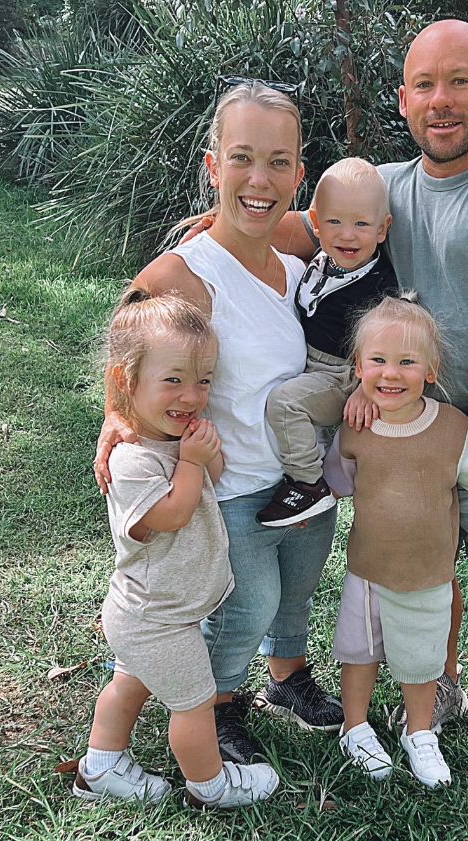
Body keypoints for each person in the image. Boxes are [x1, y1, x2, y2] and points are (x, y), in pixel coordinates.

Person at [270, 20, 468, 775]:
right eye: (425, 85)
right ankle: (440, 683)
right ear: (403, 99)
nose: (441, 100)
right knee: (428, 565)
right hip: (402, 434)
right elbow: (308, 229)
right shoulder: (382, 190)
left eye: (460, 82)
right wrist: (215, 236)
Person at [94, 82, 345, 767]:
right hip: (231, 487)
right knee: (247, 603)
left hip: (302, 481)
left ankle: (288, 677)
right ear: (213, 166)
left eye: (278, 162)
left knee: (297, 589)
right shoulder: (188, 272)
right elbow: (128, 337)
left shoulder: (299, 256)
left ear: (299, 174)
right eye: (242, 159)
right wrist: (116, 413)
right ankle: (218, 702)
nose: (259, 179)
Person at [76, 288, 279, 809]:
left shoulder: (172, 442)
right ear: (125, 380)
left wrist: (203, 455)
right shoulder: (131, 460)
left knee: (129, 685)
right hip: (156, 617)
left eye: (203, 381)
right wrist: (190, 463)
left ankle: (101, 767)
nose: (191, 395)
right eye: (173, 380)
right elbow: (170, 515)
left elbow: (213, 476)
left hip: (159, 609)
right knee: (196, 704)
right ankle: (209, 787)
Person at [323, 295, 468, 788]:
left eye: (407, 362)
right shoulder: (355, 428)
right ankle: (355, 728)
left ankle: (419, 734)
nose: (391, 373)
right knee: (358, 652)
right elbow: (337, 480)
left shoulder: (452, 428)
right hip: (367, 570)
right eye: (377, 360)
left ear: (431, 371)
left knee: (421, 662)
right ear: (358, 366)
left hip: (427, 575)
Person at [254, 157, 397, 529]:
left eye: (361, 224)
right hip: (313, 364)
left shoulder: (379, 285)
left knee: (285, 403)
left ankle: (307, 483)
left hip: (342, 374)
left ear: (382, 229)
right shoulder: (321, 261)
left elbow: (390, 342)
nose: (347, 235)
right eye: (335, 222)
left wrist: (367, 386)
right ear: (315, 224)